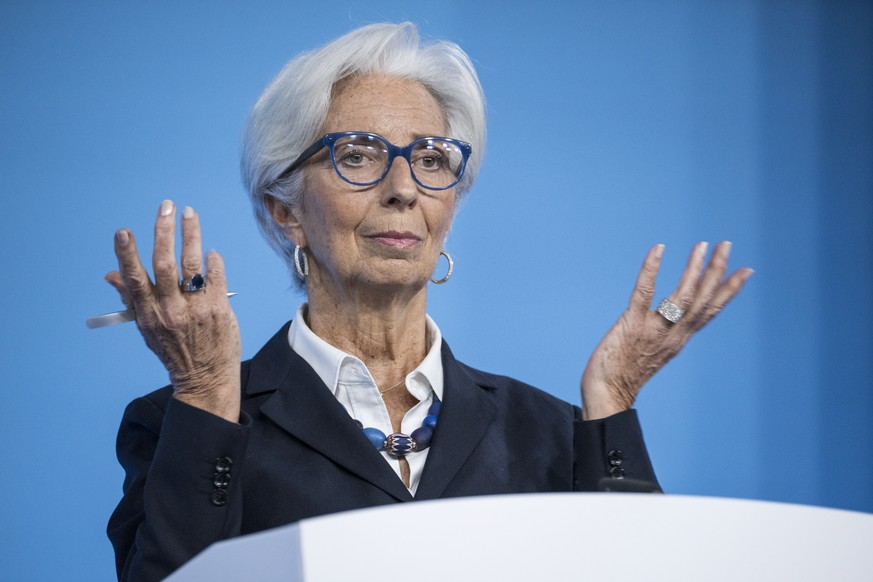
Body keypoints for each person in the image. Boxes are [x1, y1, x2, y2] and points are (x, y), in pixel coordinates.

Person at [105, 22, 752, 581]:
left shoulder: (551, 433)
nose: (402, 188)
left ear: (451, 202)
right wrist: (207, 391)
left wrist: (611, 403)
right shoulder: (186, 421)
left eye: (432, 159)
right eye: (356, 154)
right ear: (284, 213)